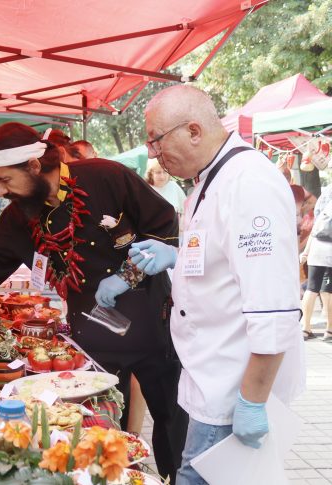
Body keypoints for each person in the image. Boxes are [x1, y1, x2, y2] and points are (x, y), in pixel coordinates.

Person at [0, 122, 187, 482]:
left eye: (5, 180)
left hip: (152, 322)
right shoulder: (20, 215)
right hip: (92, 335)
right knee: (102, 429)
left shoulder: (107, 176)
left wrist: (127, 277)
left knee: (172, 419)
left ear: (32, 167)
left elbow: (164, 223)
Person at [132, 85, 305, 485]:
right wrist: (174, 259)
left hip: (232, 390)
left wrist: (252, 400)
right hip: (209, 377)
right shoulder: (209, 180)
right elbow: (217, 262)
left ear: (194, 130)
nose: (154, 154)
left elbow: (273, 306)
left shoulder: (249, 183)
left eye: (157, 141)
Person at [300, 183, 332, 341]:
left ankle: (305, 329)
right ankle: (329, 330)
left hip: (317, 245)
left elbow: (316, 224)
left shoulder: (325, 193)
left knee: (311, 288)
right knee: (329, 289)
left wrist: (306, 251)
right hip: (330, 248)